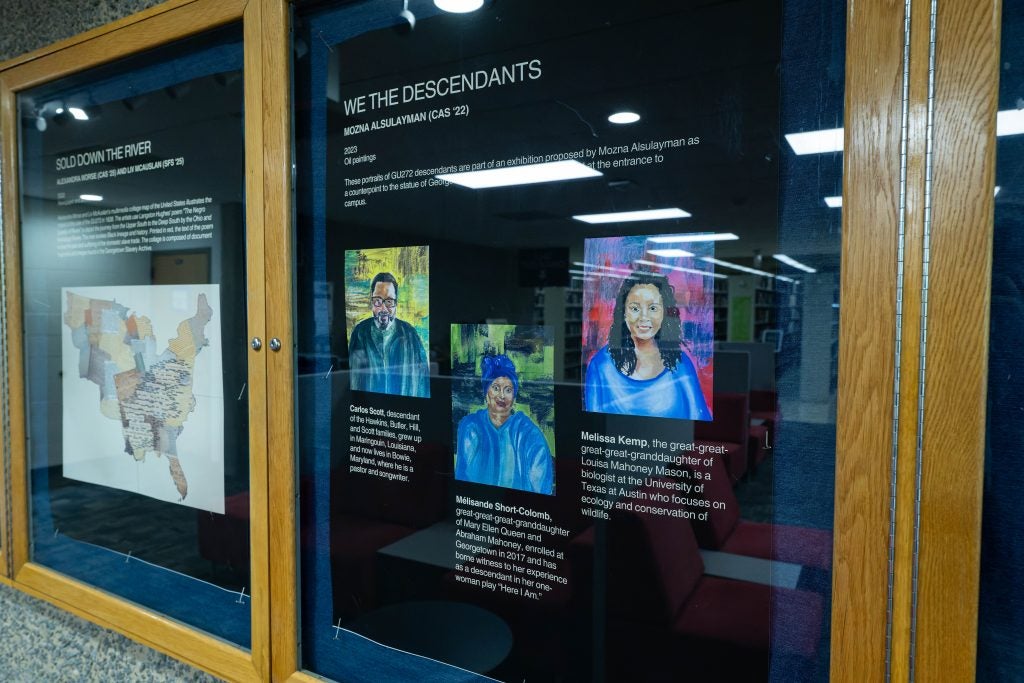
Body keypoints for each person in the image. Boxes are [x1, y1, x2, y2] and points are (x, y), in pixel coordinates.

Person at [584, 270, 711, 420]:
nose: (644, 317)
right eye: (635, 308)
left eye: (653, 308)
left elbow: (701, 423)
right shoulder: (600, 366)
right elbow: (592, 425)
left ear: (664, 313)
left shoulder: (681, 364)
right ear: (623, 312)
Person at [455, 354, 554, 495]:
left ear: (514, 397)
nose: (501, 395)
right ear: (486, 392)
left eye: (508, 390)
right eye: (495, 387)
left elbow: (541, 492)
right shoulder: (471, 427)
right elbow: (461, 481)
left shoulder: (529, 435)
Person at [348, 271, 430, 397]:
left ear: (396, 304)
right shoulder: (360, 333)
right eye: (377, 301)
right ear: (371, 302)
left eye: (389, 301)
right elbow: (352, 381)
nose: (383, 309)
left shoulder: (410, 334)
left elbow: (424, 383)